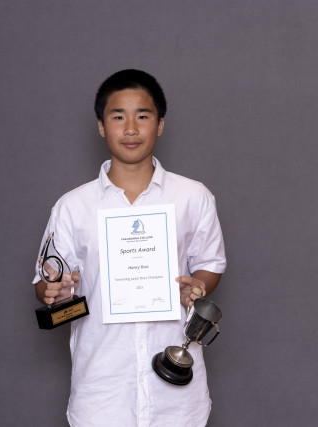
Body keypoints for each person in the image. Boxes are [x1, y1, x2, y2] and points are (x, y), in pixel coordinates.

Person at [33, 69, 226, 427]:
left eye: (143, 116)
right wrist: (56, 292)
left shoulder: (193, 196)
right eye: (118, 117)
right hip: (101, 388)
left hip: (176, 391)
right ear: (101, 126)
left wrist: (198, 285)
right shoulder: (72, 206)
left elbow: (210, 263)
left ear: (160, 124)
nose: (131, 129)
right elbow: (48, 285)